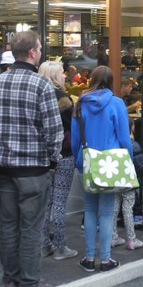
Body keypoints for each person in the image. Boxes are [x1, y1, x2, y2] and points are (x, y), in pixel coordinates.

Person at [0, 31, 62, 287]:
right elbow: (54, 131)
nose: (40, 52)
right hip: (34, 169)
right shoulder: (42, 85)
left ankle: (10, 282)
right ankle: (29, 286)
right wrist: (53, 159)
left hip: (5, 168)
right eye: (39, 48)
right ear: (32, 53)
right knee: (31, 229)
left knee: (9, 227)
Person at [72, 65, 132, 273]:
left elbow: (76, 139)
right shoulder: (117, 103)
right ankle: (105, 259)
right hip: (110, 164)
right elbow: (124, 138)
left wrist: (78, 160)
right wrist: (129, 160)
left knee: (89, 210)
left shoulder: (81, 103)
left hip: (87, 161)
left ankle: (89, 258)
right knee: (107, 213)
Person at [37, 61, 79, 260]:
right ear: (54, 75)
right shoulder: (63, 98)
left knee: (45, 203)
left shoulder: (37, 95)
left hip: (42, 156)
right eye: (62, 73)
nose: (65, 76)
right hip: (64, 154)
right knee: (59, 202)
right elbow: (72, 127)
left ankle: (44, 244)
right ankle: (60, 246)